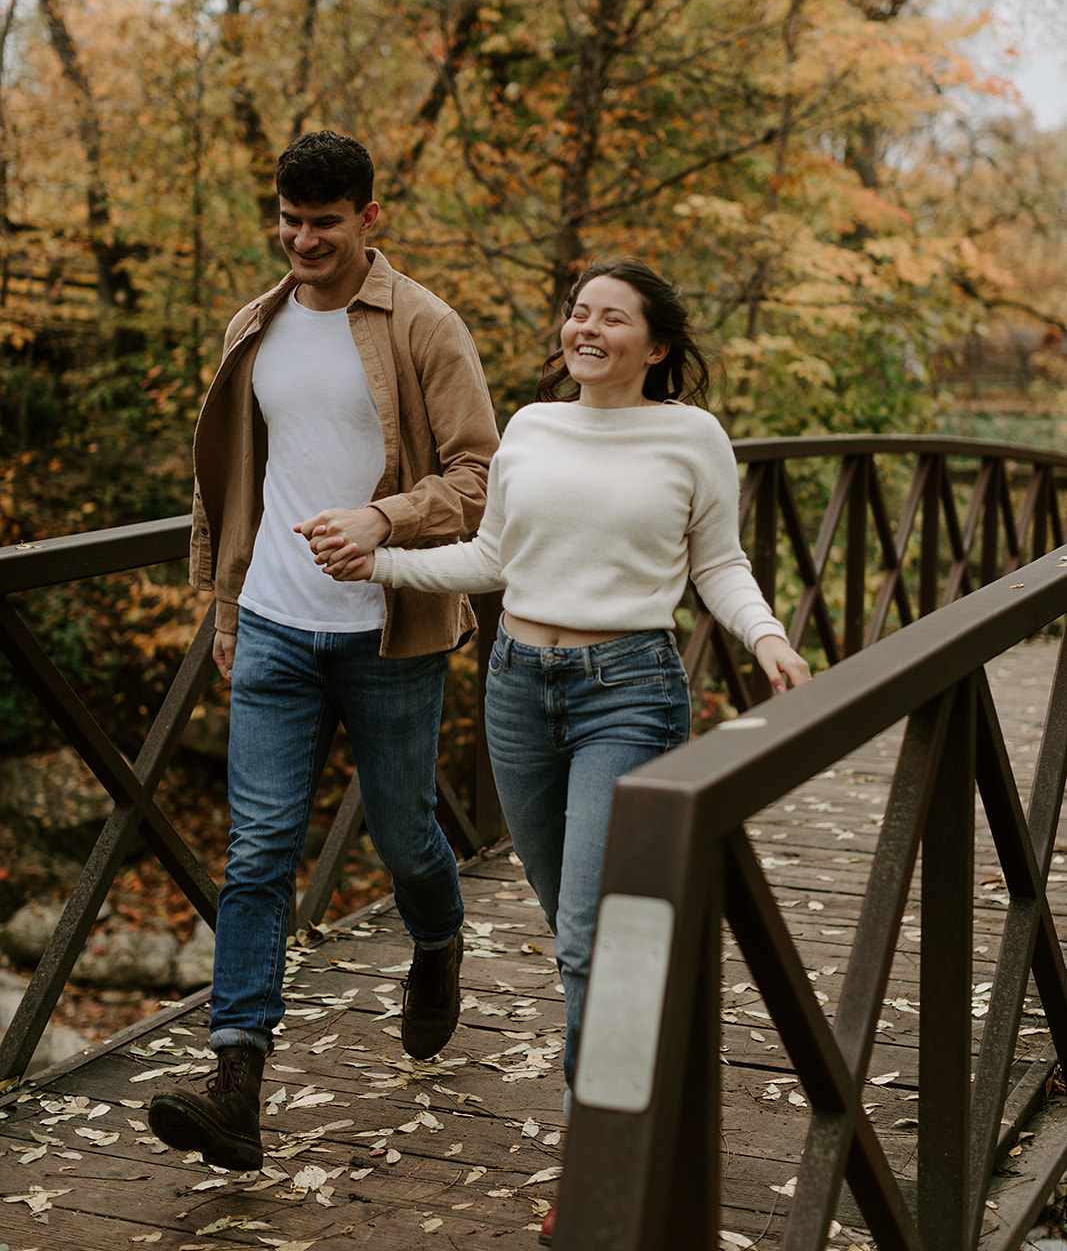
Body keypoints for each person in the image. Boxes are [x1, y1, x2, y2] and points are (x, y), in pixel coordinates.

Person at [298, 257, 810, 1235]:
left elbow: (719, 563)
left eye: (610, 319)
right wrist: (383, 560)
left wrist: (767, 636)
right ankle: (632, 1080)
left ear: (653, 346)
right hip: (518, 691)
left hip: (628, 691)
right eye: (577, 313)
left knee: (583, 935)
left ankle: (595, 1167)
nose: (586, 329)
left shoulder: (690, 436)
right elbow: (494, 560)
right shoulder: (531, 426)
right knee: (583, 927)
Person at [148, 129, 499, 1172]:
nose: (302, 240)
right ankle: (236, 1077)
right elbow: (225, 484)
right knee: (256, 849)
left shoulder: (424, 325)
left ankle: (435, 939)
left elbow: (483, 478)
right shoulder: (251, 326)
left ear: (368, 219)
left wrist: (385, 520)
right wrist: (223, 605)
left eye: (324, 223)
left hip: (389, 633)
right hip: (272, 624)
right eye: (290, 221)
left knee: (404, 841)